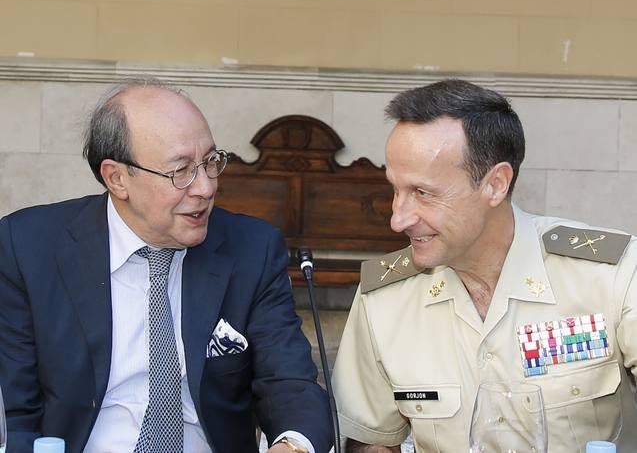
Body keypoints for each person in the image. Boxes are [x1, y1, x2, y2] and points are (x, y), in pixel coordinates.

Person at [0, 79, 331, 453]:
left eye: (210, 162)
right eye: (181, 171)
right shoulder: (28, 247)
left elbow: (290, 383)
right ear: (117, 178)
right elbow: (15, 412)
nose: (205, 188)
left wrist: (294, 445)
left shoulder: (251, 249)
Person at [332, 79, 637, 452]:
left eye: (423, 193)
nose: (399, 218)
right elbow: (371, 441)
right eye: (395, 189)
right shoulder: (384, 299)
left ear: (495, 184)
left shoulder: (610, 275)